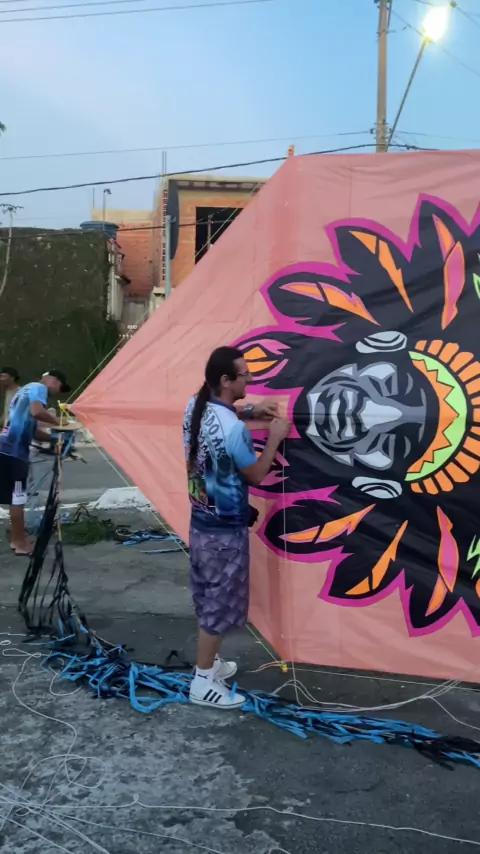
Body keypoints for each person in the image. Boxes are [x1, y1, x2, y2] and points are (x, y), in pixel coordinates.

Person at [183, 346, 290, 710]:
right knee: (219, 602)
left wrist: (250, 410)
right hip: (224, 532)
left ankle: (210, 665)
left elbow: (222, 417)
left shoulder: (194, 406)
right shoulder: (234, 432)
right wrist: (274, 436)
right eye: (245, 374)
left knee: (207, 594)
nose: (251, 379)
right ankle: (202, 682)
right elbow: (256, 474)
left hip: (200, 521)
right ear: (226, 380)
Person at [0, 369, 71, 555]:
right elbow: (37, 411)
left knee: (14, 498)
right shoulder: (38, 388)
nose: (56, 392)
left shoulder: (24, 391)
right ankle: (19, 542)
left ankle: (17, 539)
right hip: (13, 452)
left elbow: (31, 431)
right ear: (54, 381)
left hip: (6, 448)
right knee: (18, 499)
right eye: (59, 387)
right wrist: (60, 423)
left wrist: (54, 440)